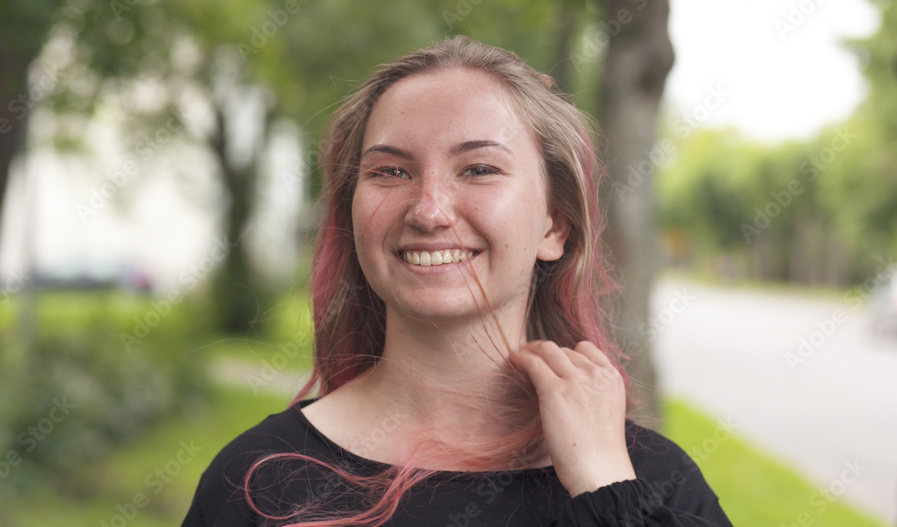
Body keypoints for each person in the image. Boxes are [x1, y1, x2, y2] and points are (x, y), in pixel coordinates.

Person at [182, 36, 733, 526]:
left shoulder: (656, 482)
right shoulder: (257, 482)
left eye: (479, 169)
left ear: (555, 225)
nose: (428, 211)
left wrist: (606, 490)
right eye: (390, 171)